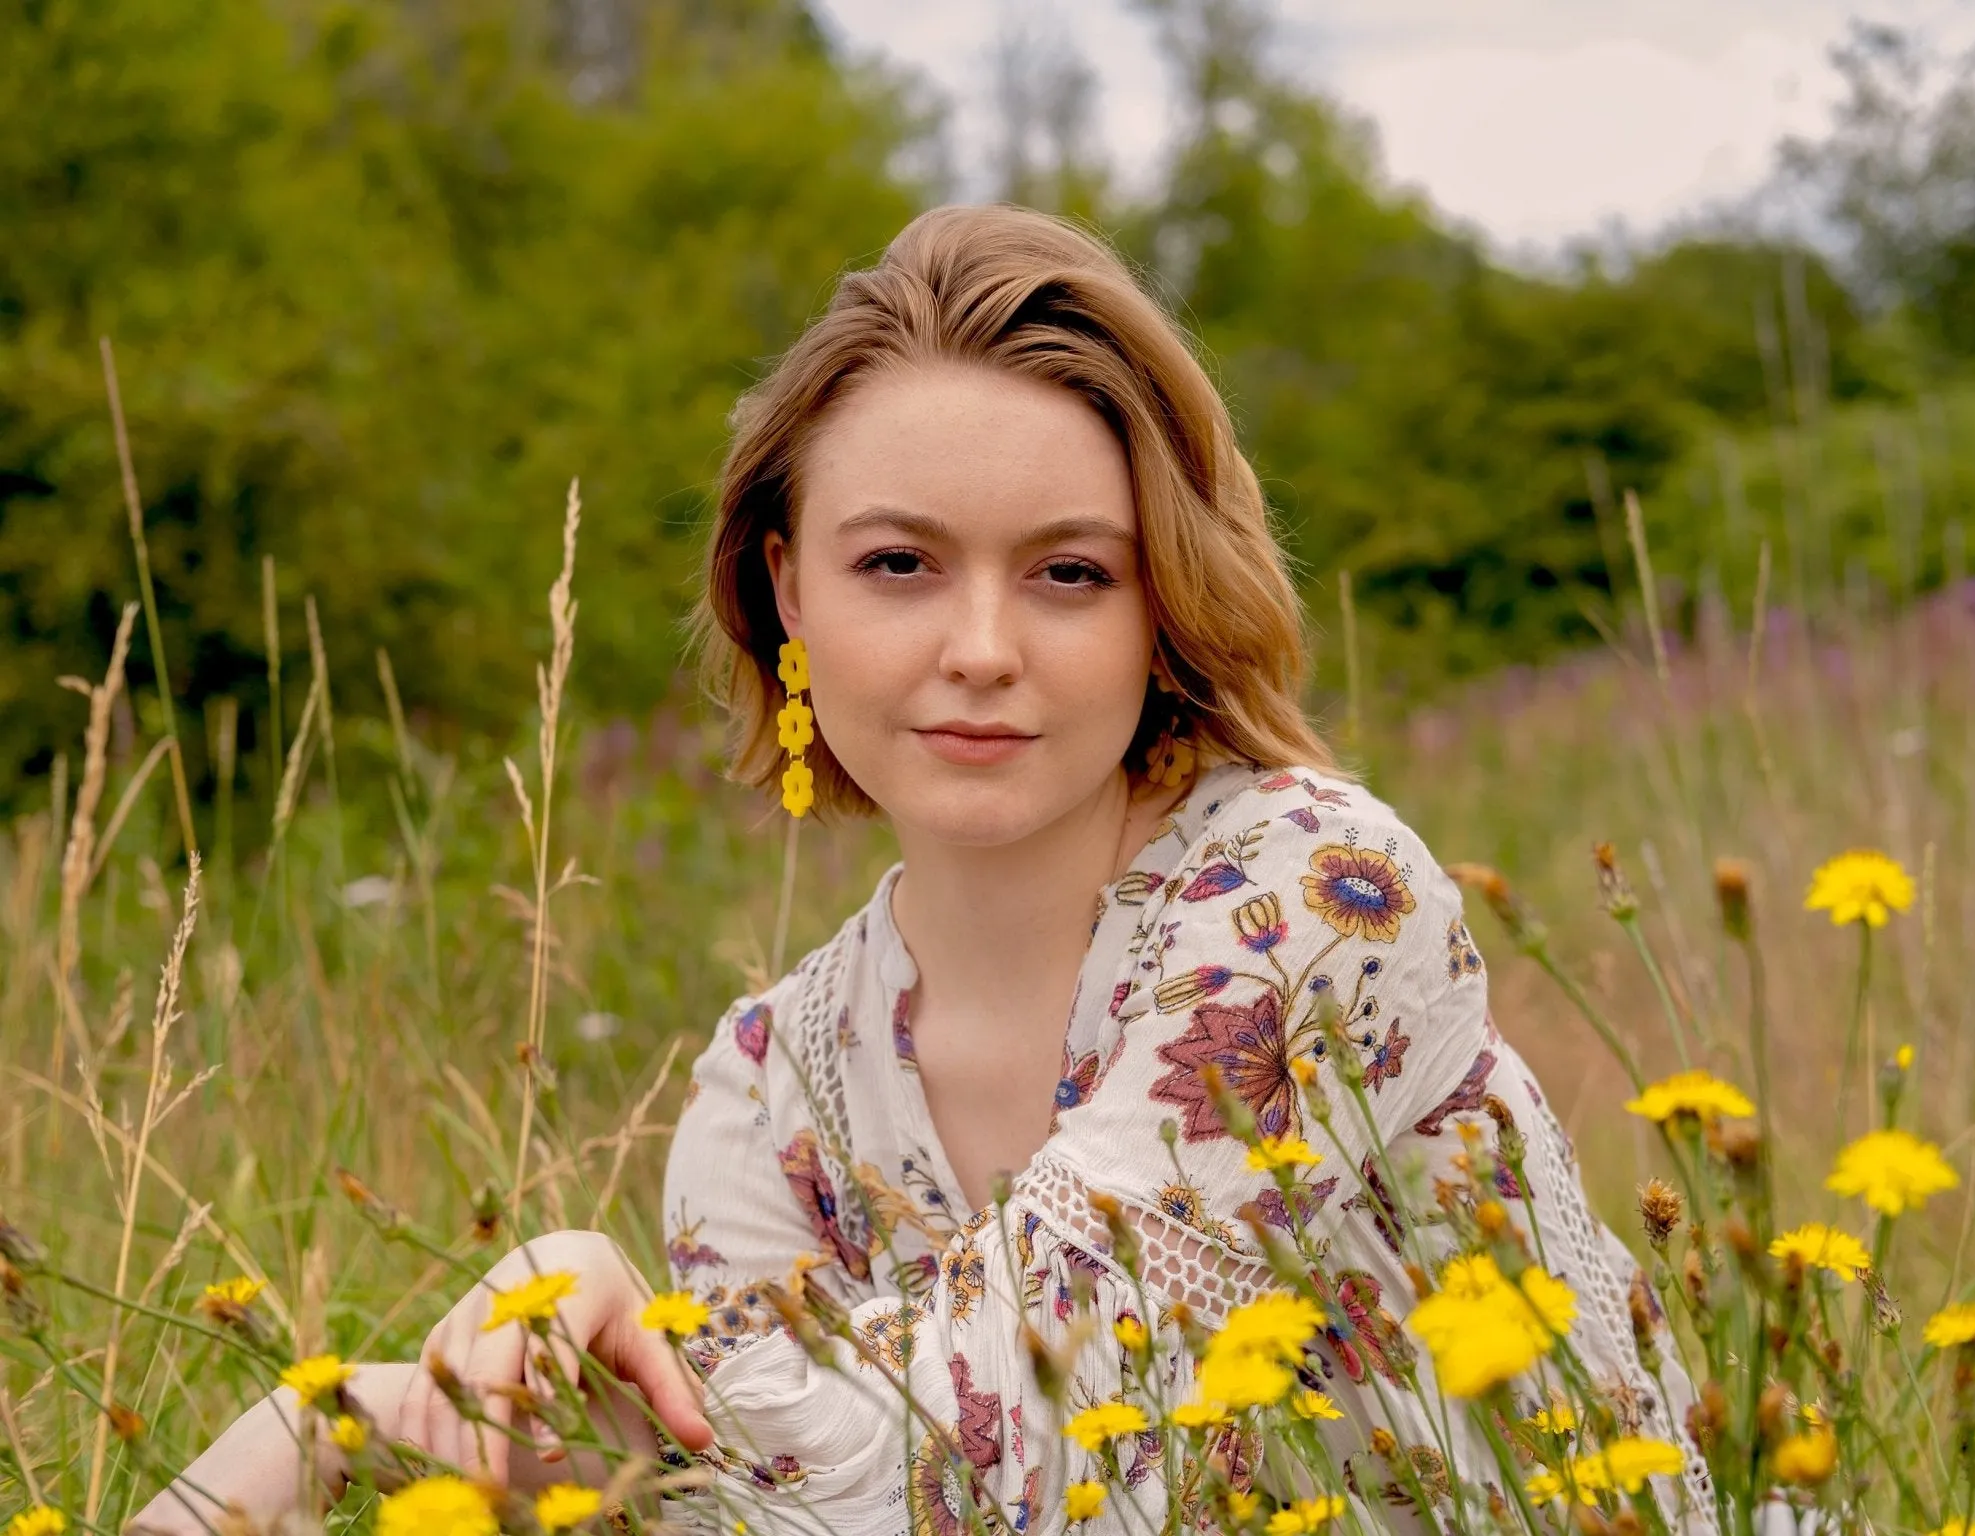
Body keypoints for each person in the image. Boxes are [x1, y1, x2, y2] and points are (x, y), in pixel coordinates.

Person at [138, 205, 1714, 1535]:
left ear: (1161, 606)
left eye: (1068, 574)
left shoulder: (1316, 897)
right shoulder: (772, 1088)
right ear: (787, 592)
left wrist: (400, 1425)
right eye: (898, 564)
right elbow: (778, 1506)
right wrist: (341, 1412)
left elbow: (979, 1439)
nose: (980, 651)